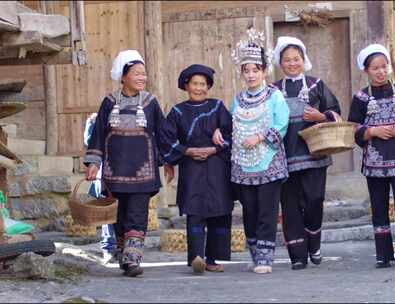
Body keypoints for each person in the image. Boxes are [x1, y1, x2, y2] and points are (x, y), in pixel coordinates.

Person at [85, 50, 168, 277]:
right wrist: (93, 162)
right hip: (115, 171)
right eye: (137, 73)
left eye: (144, 74)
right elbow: (98, 135)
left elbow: (164, 134)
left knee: (137, 214)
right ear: (123, 77)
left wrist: (169, 158)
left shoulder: (150, 103)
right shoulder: (109, 103)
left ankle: (132, 259)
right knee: (118, 216)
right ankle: (123, 253)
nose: (142, 78)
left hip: (143, 171)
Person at [348, 44, 395, 269]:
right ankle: (383, 254)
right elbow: (353, 128)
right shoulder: (361, 98)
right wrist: (372, 131)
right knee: (379, 206)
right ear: (366, 70)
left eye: (384, 67)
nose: (381, 72)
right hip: (375, 163)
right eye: (375, 68)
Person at [272, 36, 341, 270]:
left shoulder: (316, 84)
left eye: (296, 59)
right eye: (287, 60)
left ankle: (314, 243)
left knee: (314, 200)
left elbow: (335, 111)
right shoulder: (272, 89)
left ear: (304, 60)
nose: (292, 64)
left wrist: (320, 116)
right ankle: (298, 256)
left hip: (314, 155)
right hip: (284, 157)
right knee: (290, 206)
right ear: (280, 63)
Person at [224, 28, 289, 274]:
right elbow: (230, 124)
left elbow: (281, 124)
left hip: (269, 161)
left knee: (267, 211)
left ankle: (265, 259)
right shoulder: (237, 100)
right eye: (246, 70)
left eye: (255, 70)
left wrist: (260, 137)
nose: (251, 75)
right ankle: (254, 254)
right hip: (243, 164)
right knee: (249, 210)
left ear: (264, 71)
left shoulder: (275, 96)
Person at [160, 64, 234, 274]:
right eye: (195, 84)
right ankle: (196, 258)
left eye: (203, 84)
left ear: (208, 86)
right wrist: (187, 151)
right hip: (191, 167)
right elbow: (167, 139)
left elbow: (231, 133)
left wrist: (213, 148)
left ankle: (212, 259)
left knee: (218, 211)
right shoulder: (177, 112)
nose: (199, 88)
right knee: (195, 211)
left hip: (217, 166)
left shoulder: (218, 107)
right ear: (186, 85)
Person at [83, 112, 116, 264]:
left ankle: (124, 249)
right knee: (107, 212)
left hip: (126, 173)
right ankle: (109, 248)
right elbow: (90, 142)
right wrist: (92, 122)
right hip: (105, 174)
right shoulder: (98, 121)